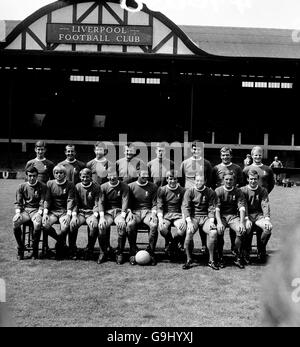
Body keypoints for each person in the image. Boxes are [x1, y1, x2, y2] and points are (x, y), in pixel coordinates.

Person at [180, 140, 213, 253]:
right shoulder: (184, 163)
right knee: (188, 221)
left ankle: (204, 245)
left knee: (202, 219)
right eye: (194, 148)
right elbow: (181, 180)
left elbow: (209, 180)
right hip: (188, 198)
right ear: (191, 149)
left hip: (202, 197)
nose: (196, 151)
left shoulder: (207, 163)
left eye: (198, 149)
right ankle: (188, 247)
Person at [211, 146, 244, 256]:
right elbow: (211, 183)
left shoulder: (237, 168)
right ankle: (219, 253)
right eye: (223, 155)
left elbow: (241, 183)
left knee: (235, 230)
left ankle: (234, 250)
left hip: (233, 201)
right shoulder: (216, 168)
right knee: (219, 231)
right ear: (221, 156)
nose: (225, 157)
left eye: (227, 155)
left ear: (231, 156)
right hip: (220, 199)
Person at [182, 173, 218, 270]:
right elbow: (186, 207)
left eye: (201, 181)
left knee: (213, 232)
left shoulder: (210, 192)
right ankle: (189, 259)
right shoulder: (189, 191)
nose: (199, 182)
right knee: (189, 232)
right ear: (194, 181)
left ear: (205, 181)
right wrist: (189, 221)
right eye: (197, 180)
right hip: (194, 217)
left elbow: (211, 207)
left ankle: (211, 260)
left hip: (205, 217)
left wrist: (211, 221)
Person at [12, 165, 47, 260]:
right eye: (30, 175)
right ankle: (20, 248)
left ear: (37, 176)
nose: (32, 178)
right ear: (26, 176)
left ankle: (35, 251)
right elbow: (18, 202)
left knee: (37, 224)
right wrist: (18, 213)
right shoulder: (21, 186)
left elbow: (42, 202)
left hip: (36, 211)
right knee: (15, 222)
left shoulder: (42, 186)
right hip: (25, 211)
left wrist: (39, 213)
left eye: (34, 176)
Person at [42, 165, 76, 259]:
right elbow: (47, 199)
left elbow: (70, 200)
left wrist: (68, 215)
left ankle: (60, 247)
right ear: (54, 174)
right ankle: (61, 241)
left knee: (65, 227)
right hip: (53, 212)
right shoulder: (50, 183)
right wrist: (45, 213)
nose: (59, 175)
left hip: (64, 212)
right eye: (56, 173)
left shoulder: (70, 184)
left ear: (65, 174)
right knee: (45, 224)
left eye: (61, 173)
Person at [215, 170, 247, 269]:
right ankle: (220, 256)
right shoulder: (218, 191)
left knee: (241, 231)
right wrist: (219, 222)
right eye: (227, 179)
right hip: (221, 216)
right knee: (219, 231)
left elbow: (241, 208)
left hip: (233, 216)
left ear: (234, 180)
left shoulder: (238, 191)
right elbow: (216, 209)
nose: (229, 181)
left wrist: (241, 223)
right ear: (223, 180)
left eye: (231, 179)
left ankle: (236, 254)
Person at [126, 170, 158, 265]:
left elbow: (155, 203)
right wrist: (129, 212)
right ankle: (133, 251)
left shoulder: (153, 186)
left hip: (148, 212)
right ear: (138, 175)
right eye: (143, 176)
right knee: (130, 224)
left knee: (154, 225)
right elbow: (126, 202)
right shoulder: (130, 186)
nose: (145, 177)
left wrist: (153, 213)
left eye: (147, 176)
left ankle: (151, 252)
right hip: (135, 212)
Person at [241, 169, 273, 264]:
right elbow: (243, 205)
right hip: (247, 216)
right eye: (251, 179)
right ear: (247, 179)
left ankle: (261, 250)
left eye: (255, 179)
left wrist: (267, 219)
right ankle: (246, 251)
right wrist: (246, 219)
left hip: (259, 216)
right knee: (247, 227)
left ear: (258, 179)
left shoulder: (263, 190)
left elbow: (265, 204)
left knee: (268, 228)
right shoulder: (243, 190)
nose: (253, 181)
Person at [99, 168, 129, 265]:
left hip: (119, 212)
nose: (112, 177)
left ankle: (119, 252)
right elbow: (101, 202)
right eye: (110, 175)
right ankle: (103, 251)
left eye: (114, 175)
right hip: (107, 213)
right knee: (101, 226)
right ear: (107, 176)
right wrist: (102, 217)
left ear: (118, 175)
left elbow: (125, 201)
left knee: (122, 226)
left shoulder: (124, 186)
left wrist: (123, 217)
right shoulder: (103, 187)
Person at [70, 168, 102, 261]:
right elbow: (75, 202)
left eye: (87, 177)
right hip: (80, 212)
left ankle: (89, 249)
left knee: (93, 226)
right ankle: (73, 249)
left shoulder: (96, 187)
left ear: (91, 177)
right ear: (80, 177)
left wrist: (95, 216)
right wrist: (74, 215)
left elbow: (97, 203)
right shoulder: (77, 186)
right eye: (83, 177)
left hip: (91, 212)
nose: (85, 179)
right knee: (73, 224)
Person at [157, 170, 186, 260]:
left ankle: (171, 245)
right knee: (162, 228)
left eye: (175, 179)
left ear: (177, 180)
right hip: (166, 215)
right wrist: (161, 219)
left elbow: (184, 206)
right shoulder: (162, 190)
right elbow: (160, 206)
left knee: (182, 229)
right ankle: (173, 244)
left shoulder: (182, 190)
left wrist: (184, 220)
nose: (173, 181)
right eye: (171, 179)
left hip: (178, 215)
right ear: (167, 179)